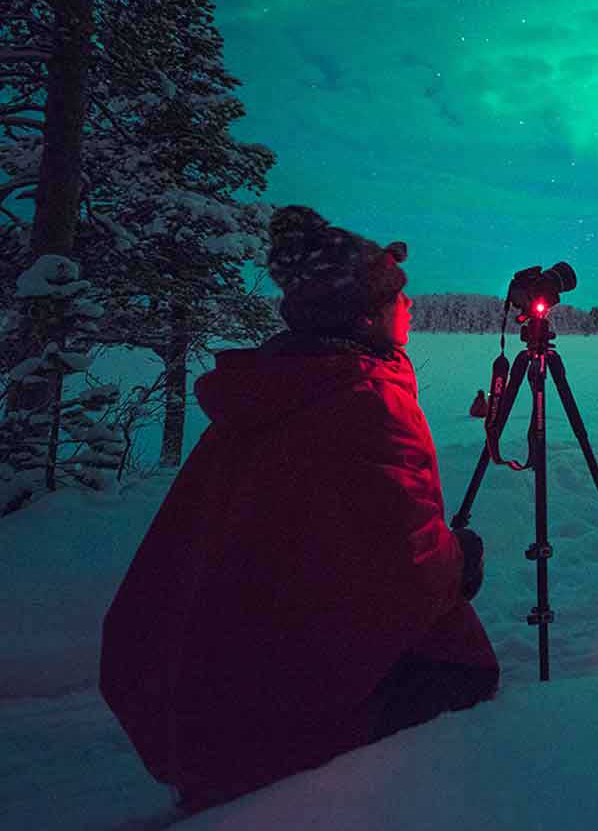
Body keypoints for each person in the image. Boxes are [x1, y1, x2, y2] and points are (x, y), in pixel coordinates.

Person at [100, 205, 499, 812]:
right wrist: (461, 559)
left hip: (194, 710)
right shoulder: (367, 401)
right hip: (269, 723)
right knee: (468, 674)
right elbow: (409, 568)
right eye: (399, 295)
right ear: (365, 315)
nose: (410, 306)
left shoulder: (271, 387)